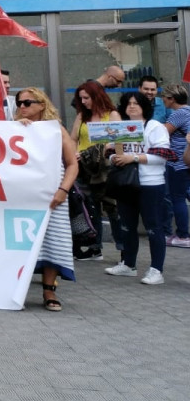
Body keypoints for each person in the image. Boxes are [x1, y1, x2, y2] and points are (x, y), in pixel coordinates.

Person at [13, 87, 79, 311]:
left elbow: (72, 164)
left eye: (27, 102)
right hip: (23, 196)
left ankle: (49, 289)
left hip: (53, 197)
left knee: (52, 240)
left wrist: (63, 190)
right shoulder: (13, 129)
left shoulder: (56, 130)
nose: (22, 106)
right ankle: (16, 287)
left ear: (42, 105)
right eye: (19, 103)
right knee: (19, 241)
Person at [105, 92, 174, 285]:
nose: (132, 106)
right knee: (127, 225)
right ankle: (128, 264)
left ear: (145, 106)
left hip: (151, 183)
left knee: (154, 227)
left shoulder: (155, 127)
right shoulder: (121, 128)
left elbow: (162, 155)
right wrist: (115, 157)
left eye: (136, 103)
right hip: (126, 183)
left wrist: (133, 158)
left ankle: (156, 270)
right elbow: (111, 152)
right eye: (128, 104)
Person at [69, 79, 120, 261]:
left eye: (86, 98)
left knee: (113, 209)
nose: (83, 102)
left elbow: (117, 140)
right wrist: (75, 153)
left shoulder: (112, 115)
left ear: (96, 97)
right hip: (85, 168)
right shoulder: (82, 116)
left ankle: (123, 248)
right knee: (91, 208)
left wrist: (100, 150)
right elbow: (73, 138)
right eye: (81, 98)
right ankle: (95, 247)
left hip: (105, 168)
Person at [163, 83, 190, 248]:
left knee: (177, 198)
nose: (163, 101)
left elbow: (163, 133)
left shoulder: (178, 114)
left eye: (164, 98)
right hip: (187, 160)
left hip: (178, 162)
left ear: (171, 99)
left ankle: (182, 235)